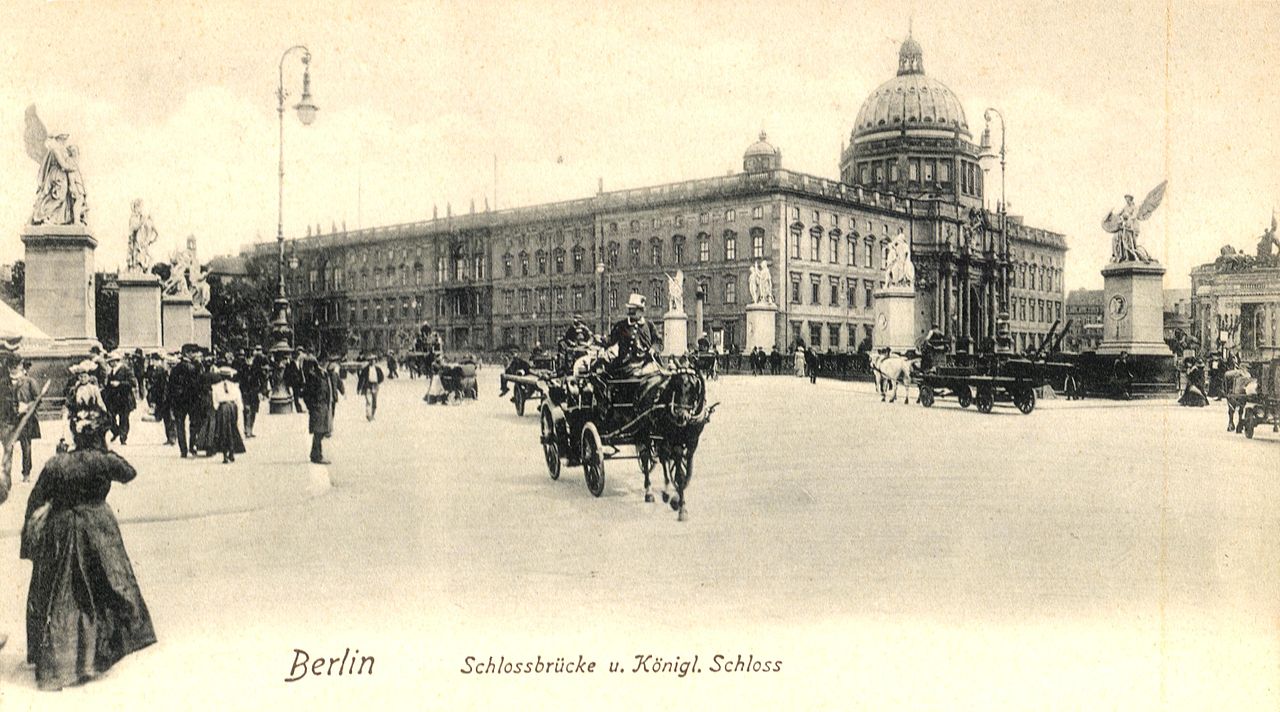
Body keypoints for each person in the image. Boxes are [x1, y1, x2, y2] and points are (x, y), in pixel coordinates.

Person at [21, 406, 156, 690]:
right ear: (99, 435)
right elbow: (129, 472)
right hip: (98, 527)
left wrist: (30, 543)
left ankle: (58, 659)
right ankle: (96, 654)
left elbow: (36, 500)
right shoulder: (103, 461)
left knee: (59, 593)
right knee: (103, 588)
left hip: (61, 529)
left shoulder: (57, 464)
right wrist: (105, 451)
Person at [603, 294, 661, 377]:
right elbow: (611, 340)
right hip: (625, 365)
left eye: (633, 310)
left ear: (641, 311)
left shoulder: (649, 325)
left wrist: (654, 348)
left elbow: (658, 341)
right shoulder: (621, 325)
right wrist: (602, 341)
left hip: (645, 363)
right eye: (630, 309)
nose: (630, 312)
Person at [166, 344, 202, 458]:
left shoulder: (176, 368)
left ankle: (183, 450)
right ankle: (192, 446)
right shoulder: (195, 367)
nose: (195, 354)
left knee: (180, 425)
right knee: (194, 424)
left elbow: (171, 386)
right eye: (193, 352)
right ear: (187, 353)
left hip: (179, 401)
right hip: (192, 400)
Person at [302, 356, 340, 464]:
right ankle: (317, 455)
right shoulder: (315, 375)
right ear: (324, 362)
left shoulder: (325, 374)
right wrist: (312, 406)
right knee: (319, 431)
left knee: (322, 431)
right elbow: (307, 393)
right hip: (318, 407)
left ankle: (315, 454)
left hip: (324, 406)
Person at [10, 360, 42, 483]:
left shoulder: (30, 382)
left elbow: (38, 399)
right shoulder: (6, 383)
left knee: (26, 445)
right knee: (9, 446)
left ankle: (26, 473)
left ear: (22, 368)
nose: (14, 369)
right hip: (11, 418)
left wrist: (27, 407)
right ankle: (7, 474)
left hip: (26, 418)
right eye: (12, 367)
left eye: (16, 366)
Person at [210, 366, 247, 463]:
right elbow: (238, 400)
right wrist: (239, 409)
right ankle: (232, 452)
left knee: (223, 431)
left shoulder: (216, 387)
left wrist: (218, 409)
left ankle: (225, 455)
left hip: (222, 408)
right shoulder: (234, 386)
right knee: (232, 429)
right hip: (232, 408)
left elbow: (215, 402)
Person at [102, 351, 137, 445]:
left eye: (111, 362)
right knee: (110, 417)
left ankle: (123, 437)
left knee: (124, 418)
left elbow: (133, 383)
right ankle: (116, 431)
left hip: (124, 398)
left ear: (116, 361)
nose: (109, 364)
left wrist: (119, 384)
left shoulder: (125, 369)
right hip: (113, 399)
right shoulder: (112, 371)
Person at [356, 353, 385, 421]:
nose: (372, 361)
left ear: (375, 361)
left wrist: (378, 382)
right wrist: (359, 388)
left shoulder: (378, 369)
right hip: (368, 385)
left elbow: (382, 377)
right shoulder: (365, 369)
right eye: (370, 360)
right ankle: (368, 415)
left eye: (373, 360)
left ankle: (372, 414)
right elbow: (361, 378)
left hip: (375, 386)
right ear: (369, 361)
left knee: (374, 401)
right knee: (368, 401)